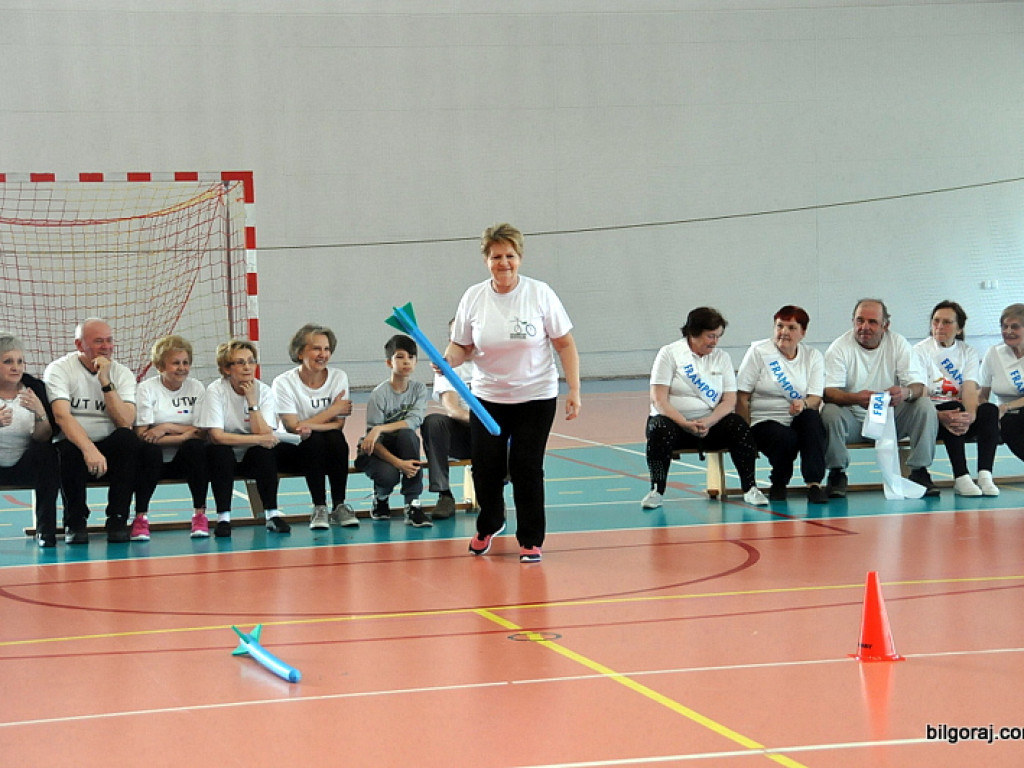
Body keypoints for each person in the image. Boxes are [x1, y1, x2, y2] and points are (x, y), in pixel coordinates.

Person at [444, 222, 581, 564]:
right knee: (485, 469)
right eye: (495, 256)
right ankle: (490, 522)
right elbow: (461, 345)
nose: (503, 262)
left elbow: (564, 344)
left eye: (509, 255)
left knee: (526, 466)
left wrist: (574, 389)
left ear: (519, 257)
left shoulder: (540, 293)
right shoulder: (473, 297)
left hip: (536, 396)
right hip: (487, 398)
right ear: (486, 260)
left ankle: (531, 539)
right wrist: (448, 360)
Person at [44, 318, 162, 543]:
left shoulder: (121, 373)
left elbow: (125, 420)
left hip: (109, 445)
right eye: (98, 341)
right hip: (76, 445)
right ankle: (75, 522)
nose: (106, 347)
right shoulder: (59, 369)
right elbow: (62, 416)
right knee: (65, 450)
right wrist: (89, 449)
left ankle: (117, 519)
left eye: (109, 340)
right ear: (79, 345)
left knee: (127, 440)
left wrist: (106, 382)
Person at [643, 306, 767, 510]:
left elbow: (729, 400)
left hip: (710, 425)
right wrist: (685, 423)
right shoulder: (669, 354)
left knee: (738, 425)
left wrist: (708, 422)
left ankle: (750, 488)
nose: (715, 342)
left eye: (718, 336)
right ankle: (656, 490)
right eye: (710, 336)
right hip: (675, 425)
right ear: (693, 333)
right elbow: (659, 400)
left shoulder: (722, 358)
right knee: (658, 429)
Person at [821, 298, 939, 497]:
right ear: (853, 322)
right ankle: (837, 473)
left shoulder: (898, 343)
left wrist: (905, 393)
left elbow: (919, 386)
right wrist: (856, 398)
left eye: (872, 322)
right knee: (830, 411)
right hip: (854, 422)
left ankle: (919, 471)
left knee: (924, 405)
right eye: (859, 321)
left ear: (885, 325)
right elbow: (829, 392)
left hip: (891, 422)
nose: (864, 327)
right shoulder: (839, 348)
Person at [197, 339, 289, 537]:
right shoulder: (215, 390)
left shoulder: (263, 391)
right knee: (220, 453)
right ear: (226, 368)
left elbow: (265, 435)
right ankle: (223, 519)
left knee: (264, 454)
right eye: (240, 362)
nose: (247, 367)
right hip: (225, 454)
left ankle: (272, 514)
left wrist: (252, 402)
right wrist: (257, 440)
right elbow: (217, 436)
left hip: (250, 456)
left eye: (250, 361)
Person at [736, 306, 828, 503]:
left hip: (797, 416)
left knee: (812, 419)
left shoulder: (813, 356)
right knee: (786, 437)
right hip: (763, 421)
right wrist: (744, 433)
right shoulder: (759, 353)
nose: (784, 332)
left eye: (791, 328)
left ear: (803, 332)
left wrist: (802, 404)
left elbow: (815, 398)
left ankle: (814, 484)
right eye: (780, 326)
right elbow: (742, 396)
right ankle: (778, 482)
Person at [272, 323, 357, 530]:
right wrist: (333, 409)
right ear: (300, 353)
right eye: (316, 348)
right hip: (292, 450)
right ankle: (319, 507)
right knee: (314, 440)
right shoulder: (283, 383)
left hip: (327, 447)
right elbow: (292, 428)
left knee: (334, 439)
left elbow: (338, 425)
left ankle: (339, 505)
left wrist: (307, 424)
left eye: (326, 349)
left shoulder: (339, 377)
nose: (323, 354)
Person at [914, 301, 1000, 496]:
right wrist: (939, 415)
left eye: (947, 322)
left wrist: (970, 415)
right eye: (936, 321)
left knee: (989, 409)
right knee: (953, 407)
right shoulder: (920, 351)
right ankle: (961, 477)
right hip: (933, 419)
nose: (939, 326)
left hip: (960, 419)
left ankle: (985, 475)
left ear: (959, 328)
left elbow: (970, 389)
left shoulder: (967, 352)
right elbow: (922, 392)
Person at [135, 335, 212, 538]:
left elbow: (202, 431)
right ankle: (140, 518)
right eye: (175, 363)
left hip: (183, 459)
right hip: (154, 460)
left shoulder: (196, 387)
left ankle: (199, 515)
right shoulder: (146, 389)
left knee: (196, 448)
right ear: (160, 366)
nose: (182, 368)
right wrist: (185, 433)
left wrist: (165, 427)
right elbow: (143, 435)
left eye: (185, 363)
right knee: (148, 452)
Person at [355, 334, 429, 527]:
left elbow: (414, 421)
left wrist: (380, 427)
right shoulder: (379, 394)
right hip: (377, 451)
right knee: (389, 475)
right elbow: (373, 442)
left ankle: (412, 504)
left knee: (408, 435)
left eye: (411, 357)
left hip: (402, 445)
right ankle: (381, 498)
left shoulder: (419, 389)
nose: (407, 362)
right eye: (400, 357)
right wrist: (398, 463)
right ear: (389, 362)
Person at [0, 333, 59, 547]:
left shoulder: (34, 389)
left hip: (24, 463)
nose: (16, 367)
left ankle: (46, 531)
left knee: (48, 454)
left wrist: (40, 412)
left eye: (19, 361)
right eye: (8, 362)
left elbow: (43, 437)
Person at [421, 319, 474, 520]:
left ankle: (493, 495)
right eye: (455, 336)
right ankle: (445, 495)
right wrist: (479, 423)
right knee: (433, 422)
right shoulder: (446, 367)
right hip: (464, 432)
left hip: (491, 437)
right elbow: (452, 409)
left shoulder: (492, 363)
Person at [979, 303, 1024, 480]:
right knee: (1010, 425)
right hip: (1007, 418)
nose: (1008, 331)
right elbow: (982, 393)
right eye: (1004, 326)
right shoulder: (994, 354)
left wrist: (1007, 406)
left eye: (1015, 326)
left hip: (1010, 409)